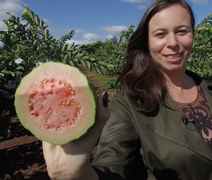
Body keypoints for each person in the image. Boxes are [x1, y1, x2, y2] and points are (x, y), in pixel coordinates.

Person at [42, 0, 212, 179]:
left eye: (182, 31)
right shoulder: (129, 103)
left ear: (193, 34)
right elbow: (114, 164)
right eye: (160, 34)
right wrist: (80, 174)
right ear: (147, 43)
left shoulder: (208, 87)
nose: (172, 42)